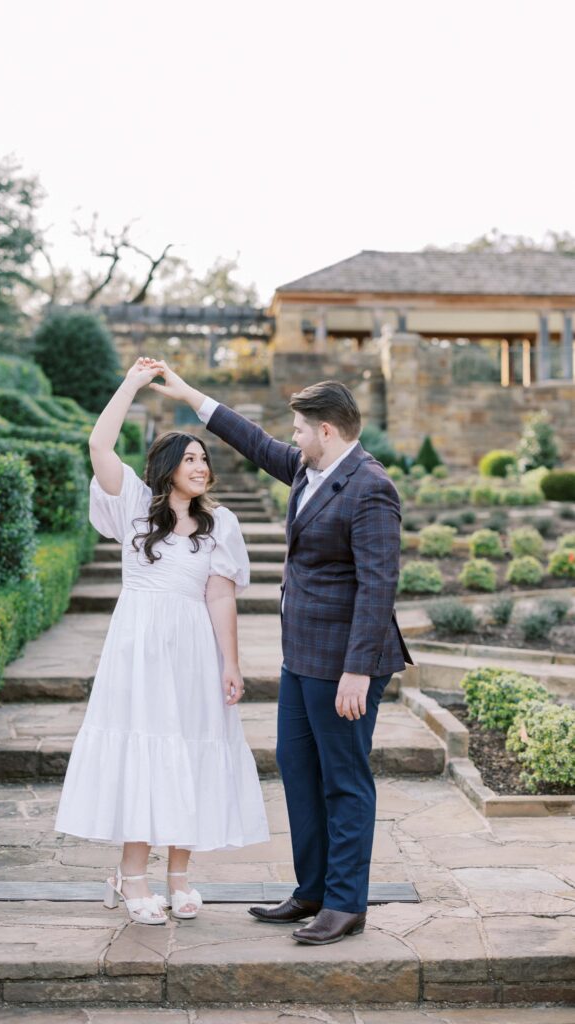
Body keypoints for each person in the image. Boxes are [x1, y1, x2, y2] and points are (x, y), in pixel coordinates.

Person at [149, 360, 413, 945]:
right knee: (298, 774)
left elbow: (378, 587)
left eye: (299, 429)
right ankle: (312, 890)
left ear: (327, 431)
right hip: (300, 658)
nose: (291, 438)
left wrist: (357, 672)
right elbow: (252, 440)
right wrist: (192, 395)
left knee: (344, 781)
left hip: (344, 663)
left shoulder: (371, 488)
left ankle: (346, 904)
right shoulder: (306, 468)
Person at [54, 357, 269, 926]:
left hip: (193, 649)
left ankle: (179, 875)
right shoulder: (131, 508)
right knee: (142, 751)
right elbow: (100, 447)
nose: (201, 466)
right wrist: (129, 383)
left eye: (205, 458)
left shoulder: (222, 524)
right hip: (139, 646)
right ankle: (131, 877)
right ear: (169, 467)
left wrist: (231, 663)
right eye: (191, 458)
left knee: (190, 751)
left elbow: (221, 597)